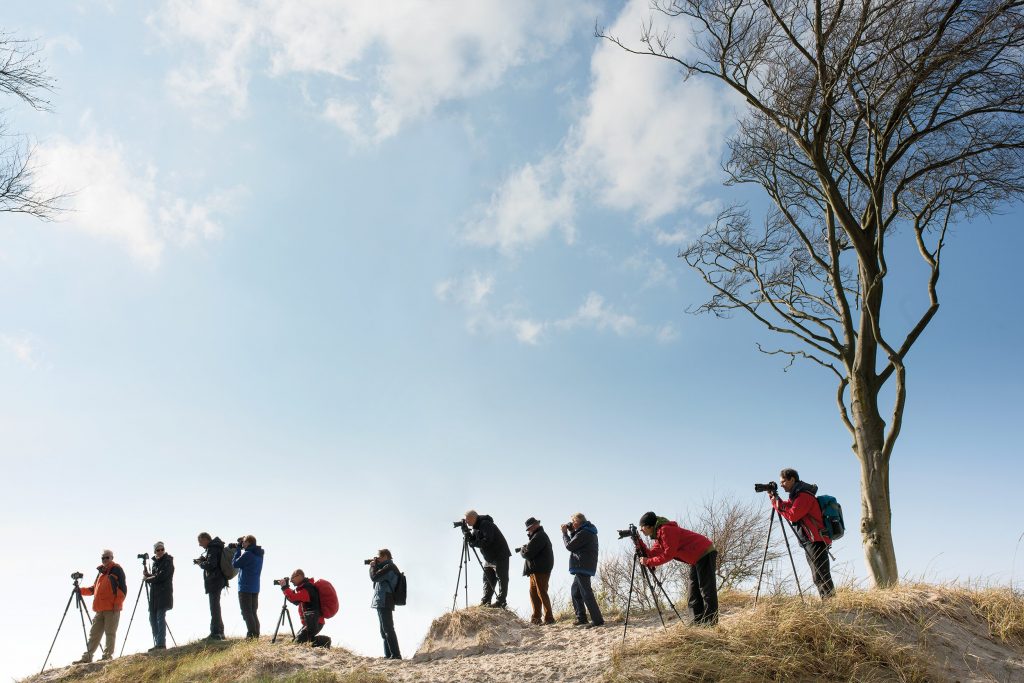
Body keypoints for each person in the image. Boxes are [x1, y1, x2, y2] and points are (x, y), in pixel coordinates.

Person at [638, 511, 719, 626]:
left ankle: (710, 623)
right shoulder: (659, 536)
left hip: (704, 552)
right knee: (693, 593)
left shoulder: (666, 530)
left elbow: (668, 555)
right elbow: (651, 554)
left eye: (642, 527)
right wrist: (639, 542)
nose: (641, 530)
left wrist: (649, 562)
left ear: (650, 526)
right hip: (696, 559)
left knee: (706, 590)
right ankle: (696, 623)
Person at [768, 468, 835, 598]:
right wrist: (774, 497)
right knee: (818, 575)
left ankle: (831, 604)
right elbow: (787, 507)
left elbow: (793, 515)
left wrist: (776, 504)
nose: (781, 485)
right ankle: (828, 602)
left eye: (783, 481)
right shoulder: (797, 496)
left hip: (816, 540)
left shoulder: (804, 496)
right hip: (810, 540)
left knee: (821, 574)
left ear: (792, 479)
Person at [72, 549, 127, 664]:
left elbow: (123, 589)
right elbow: (93, 589)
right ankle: (87, 657)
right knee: (94, 634)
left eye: (107, 557)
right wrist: (80, 590)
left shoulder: (117, 569)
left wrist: (117, 603)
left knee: (110, 633)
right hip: (99, 609)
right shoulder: (101, 572)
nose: (105, 560)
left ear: (112, 558)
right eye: (103, 558)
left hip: (112, 608)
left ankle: (107, 656)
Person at [562, 513, 603, 628]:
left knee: (586, 593)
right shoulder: (586, 530)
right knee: (575, 591)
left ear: (578, 521)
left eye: (573, 521)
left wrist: (565, 533)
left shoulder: (585, 532)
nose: (571, 523)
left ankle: (597, 620)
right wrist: (571, 531)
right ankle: (581, 618)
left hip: (582, 565)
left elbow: (570, 546)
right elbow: (577, 542)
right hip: (584, 564)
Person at [464, 510, 511, 608]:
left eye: (467, 520)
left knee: (502, 579)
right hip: (489, 557)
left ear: (473, 518)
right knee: (487, 578)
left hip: (500, 555)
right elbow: (474, 541)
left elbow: (487, 540)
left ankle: (500, 602)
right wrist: (467, 534)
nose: (466, 522)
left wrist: (474, 543)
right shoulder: (476, 527)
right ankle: (486, 601)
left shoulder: (485, 524)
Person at [518, 517, 555, 625]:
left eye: (529, 528)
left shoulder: (539, 536)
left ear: (535, 525)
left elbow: (528, 554)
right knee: (534, 593)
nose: (529, 530)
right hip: (536, 570)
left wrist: (522, 550)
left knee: (541, 592)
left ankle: (549, 618)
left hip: (540, 569)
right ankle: (536, 619)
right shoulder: (537, 536)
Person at [281, 569, 331, 647]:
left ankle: (324, 641)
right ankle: (322, 641)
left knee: (298, 643)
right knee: (298, 640)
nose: (291, 581)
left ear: (299, 576)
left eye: (292, 578)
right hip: (312, 622)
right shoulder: (305, 588)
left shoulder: (307, 589)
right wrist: (286, 588)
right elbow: (296, 600)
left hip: (315, 622)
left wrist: (284, 588)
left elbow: (293, 598)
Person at [369, 549, 401, 659]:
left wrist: (372, 566)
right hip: (382, 600)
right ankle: (388, 655)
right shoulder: (385, 567)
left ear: (385, 556)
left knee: (388, 628)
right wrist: (376, 566)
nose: (377, 559)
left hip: (385, 599)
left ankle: (396, 655)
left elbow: (374, 577)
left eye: (379, 557)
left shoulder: (389, 567)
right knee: (383, 631)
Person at [143, 541, 174, 652]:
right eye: (158, 550)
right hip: (155, 595)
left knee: (160, 618)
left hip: (163, 594)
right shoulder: (156, 562)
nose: (160, 551)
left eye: (162, 549)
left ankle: (161, 644)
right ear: (155, 551)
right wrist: (149, 576)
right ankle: (158, 642)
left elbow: (162, 576)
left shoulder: (168, 561)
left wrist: (149, 579)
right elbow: (156, 576)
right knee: (152, 619)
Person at [195, 532, 226, 640]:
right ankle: (219, 632)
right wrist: (204, 560)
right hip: (218, 580)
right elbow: (214, 562)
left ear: (205, 539)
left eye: (200, 542)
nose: (200, 545)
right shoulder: (215, 547)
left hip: (215, 581)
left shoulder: (213, 548)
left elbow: (211, 565)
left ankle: (215, 633)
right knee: (216, 606)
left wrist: (200, 564)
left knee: (214, 607)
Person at [231, 535, 264, 639]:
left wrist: (237, 550)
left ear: (249, 542)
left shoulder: (248, 554)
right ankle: (256, 634)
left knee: (246, 612)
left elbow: (235, 564)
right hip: (255, 586)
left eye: (244, 542)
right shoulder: (259, 554)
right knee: (253, 612)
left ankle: (251, 635)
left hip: (245, 587)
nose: (242, 544)